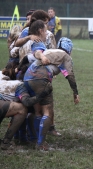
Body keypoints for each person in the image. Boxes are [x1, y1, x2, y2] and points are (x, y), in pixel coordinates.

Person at [23, 21, 79, 151]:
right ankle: (41, 143)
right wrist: (75, 92)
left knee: (37, 111)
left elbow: (31, 57)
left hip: (28, 76)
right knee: (47, 111)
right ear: (69, 49)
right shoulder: (66, 56)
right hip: (40, 78)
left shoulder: (49, 51)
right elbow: (70, 75)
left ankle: (33, 138)